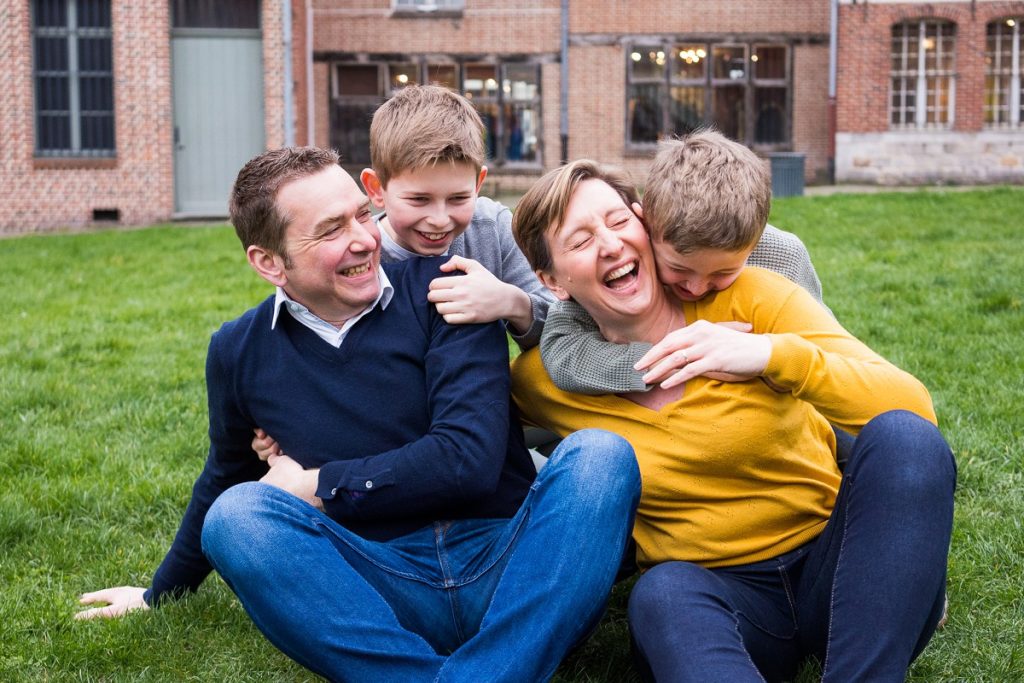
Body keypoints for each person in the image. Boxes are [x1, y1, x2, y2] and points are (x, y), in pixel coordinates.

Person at [76, 147, 641, 682]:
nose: (363, 240)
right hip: (382, 585)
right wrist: (160, 592)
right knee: (236, 514)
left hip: (513, 568)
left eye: (362, 216)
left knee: (600, 456)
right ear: (269, 261)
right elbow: (226, 474)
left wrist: (318, 485)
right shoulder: (238, 351)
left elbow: (465, 462)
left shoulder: (448, 291)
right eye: (330, 230)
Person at [509, 158, 956, 682]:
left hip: (844, 575)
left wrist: (772, 357)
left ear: (646, 224)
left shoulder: (754, 296)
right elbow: (471, 442)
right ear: (551, 281)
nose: (609, 245)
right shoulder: (545, 378)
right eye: (580, 241)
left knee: (906, 439)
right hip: (719, 598)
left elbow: (913, 408)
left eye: (616, 221)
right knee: (661, 593)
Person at [540, 130, 826, 395]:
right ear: (645, 222)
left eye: (724, 272)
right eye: (678, 268)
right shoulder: (637, 252)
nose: (697, 287)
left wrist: (764, 356)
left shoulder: (782, 255)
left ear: (752, 244)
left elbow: (824, 349)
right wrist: (682, 356)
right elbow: (562, 351)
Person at [359, 84, 554, 349]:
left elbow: (563, 328)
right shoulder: (358, 252)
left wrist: (512, 303)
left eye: (458, 199)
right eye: (419, 199)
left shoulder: (491, 229)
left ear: (478, 184)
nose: (440, 219)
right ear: (376, 188)